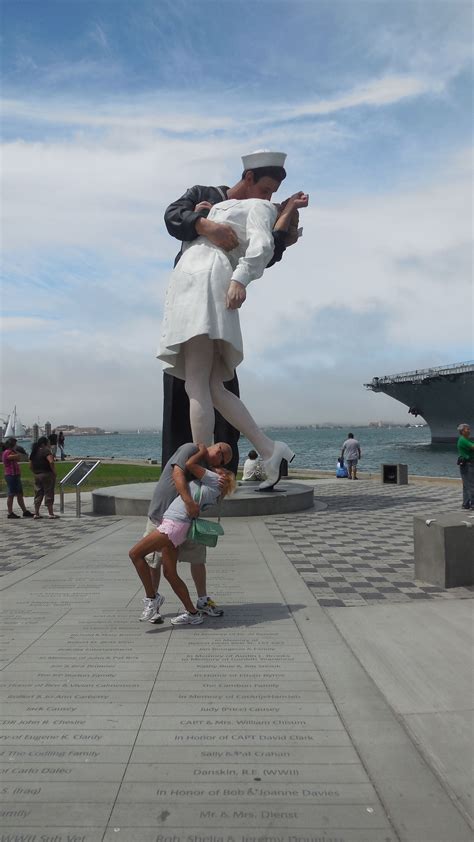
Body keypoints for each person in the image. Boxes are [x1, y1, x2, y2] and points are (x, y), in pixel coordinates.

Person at [159, 182, 308, 491]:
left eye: (273, 193)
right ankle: (269, 449)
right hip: (197, 280)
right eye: (266, 188)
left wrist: (240, 278)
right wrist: (203, 218)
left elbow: (264, 246)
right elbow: (174, 216)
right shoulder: (216, 200)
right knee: (212, 385)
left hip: (202, 281)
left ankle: (202, 470)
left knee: (197, 382)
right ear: (249, 177)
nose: (269, 196)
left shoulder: (257, 207)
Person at [129, 443, 234, 626]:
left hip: (173, 524)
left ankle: (152, 599)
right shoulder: (191, 451)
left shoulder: (213, 477)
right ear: (216, 448)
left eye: (224, 464)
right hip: (172, 521)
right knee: (169, 572)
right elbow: (178, 472)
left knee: (135, 554)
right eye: (222, 458)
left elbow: (186, 469)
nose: (221, 466)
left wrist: (189, 502)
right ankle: (192, 612)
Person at [2, 437, 33, 518]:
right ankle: (10, 513)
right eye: (15, 444)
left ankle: (24, 511)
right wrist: (18, 453)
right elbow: (15, 457)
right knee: (11, 494)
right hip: (10, 475)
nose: (17, 445)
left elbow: (18, 457)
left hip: (16, 475)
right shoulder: (7, 452)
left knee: (19, 494)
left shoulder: (12, 452)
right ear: (12, 444)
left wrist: (17, 453)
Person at [29, 436, 59, 519]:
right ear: (44, 443)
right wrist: (54, 471)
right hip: (47, 474)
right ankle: (51, 513)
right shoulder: (46, 451)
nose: (49, 444)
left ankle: (36, 513)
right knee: (49, 493)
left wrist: (35, 472)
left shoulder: (34, 452)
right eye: (48, 442)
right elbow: (51, 461)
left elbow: (30, 466)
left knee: (38, 493)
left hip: (37, 475)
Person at [456, 423, 474, 510]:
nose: (469, 430)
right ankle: (473, 504)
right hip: (468, 465)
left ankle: (466, 503)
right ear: (462, 431)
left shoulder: (467, 439)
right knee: (471, 485)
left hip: (468, 464)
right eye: (467, 429)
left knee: (466, 485)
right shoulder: (463, 440)